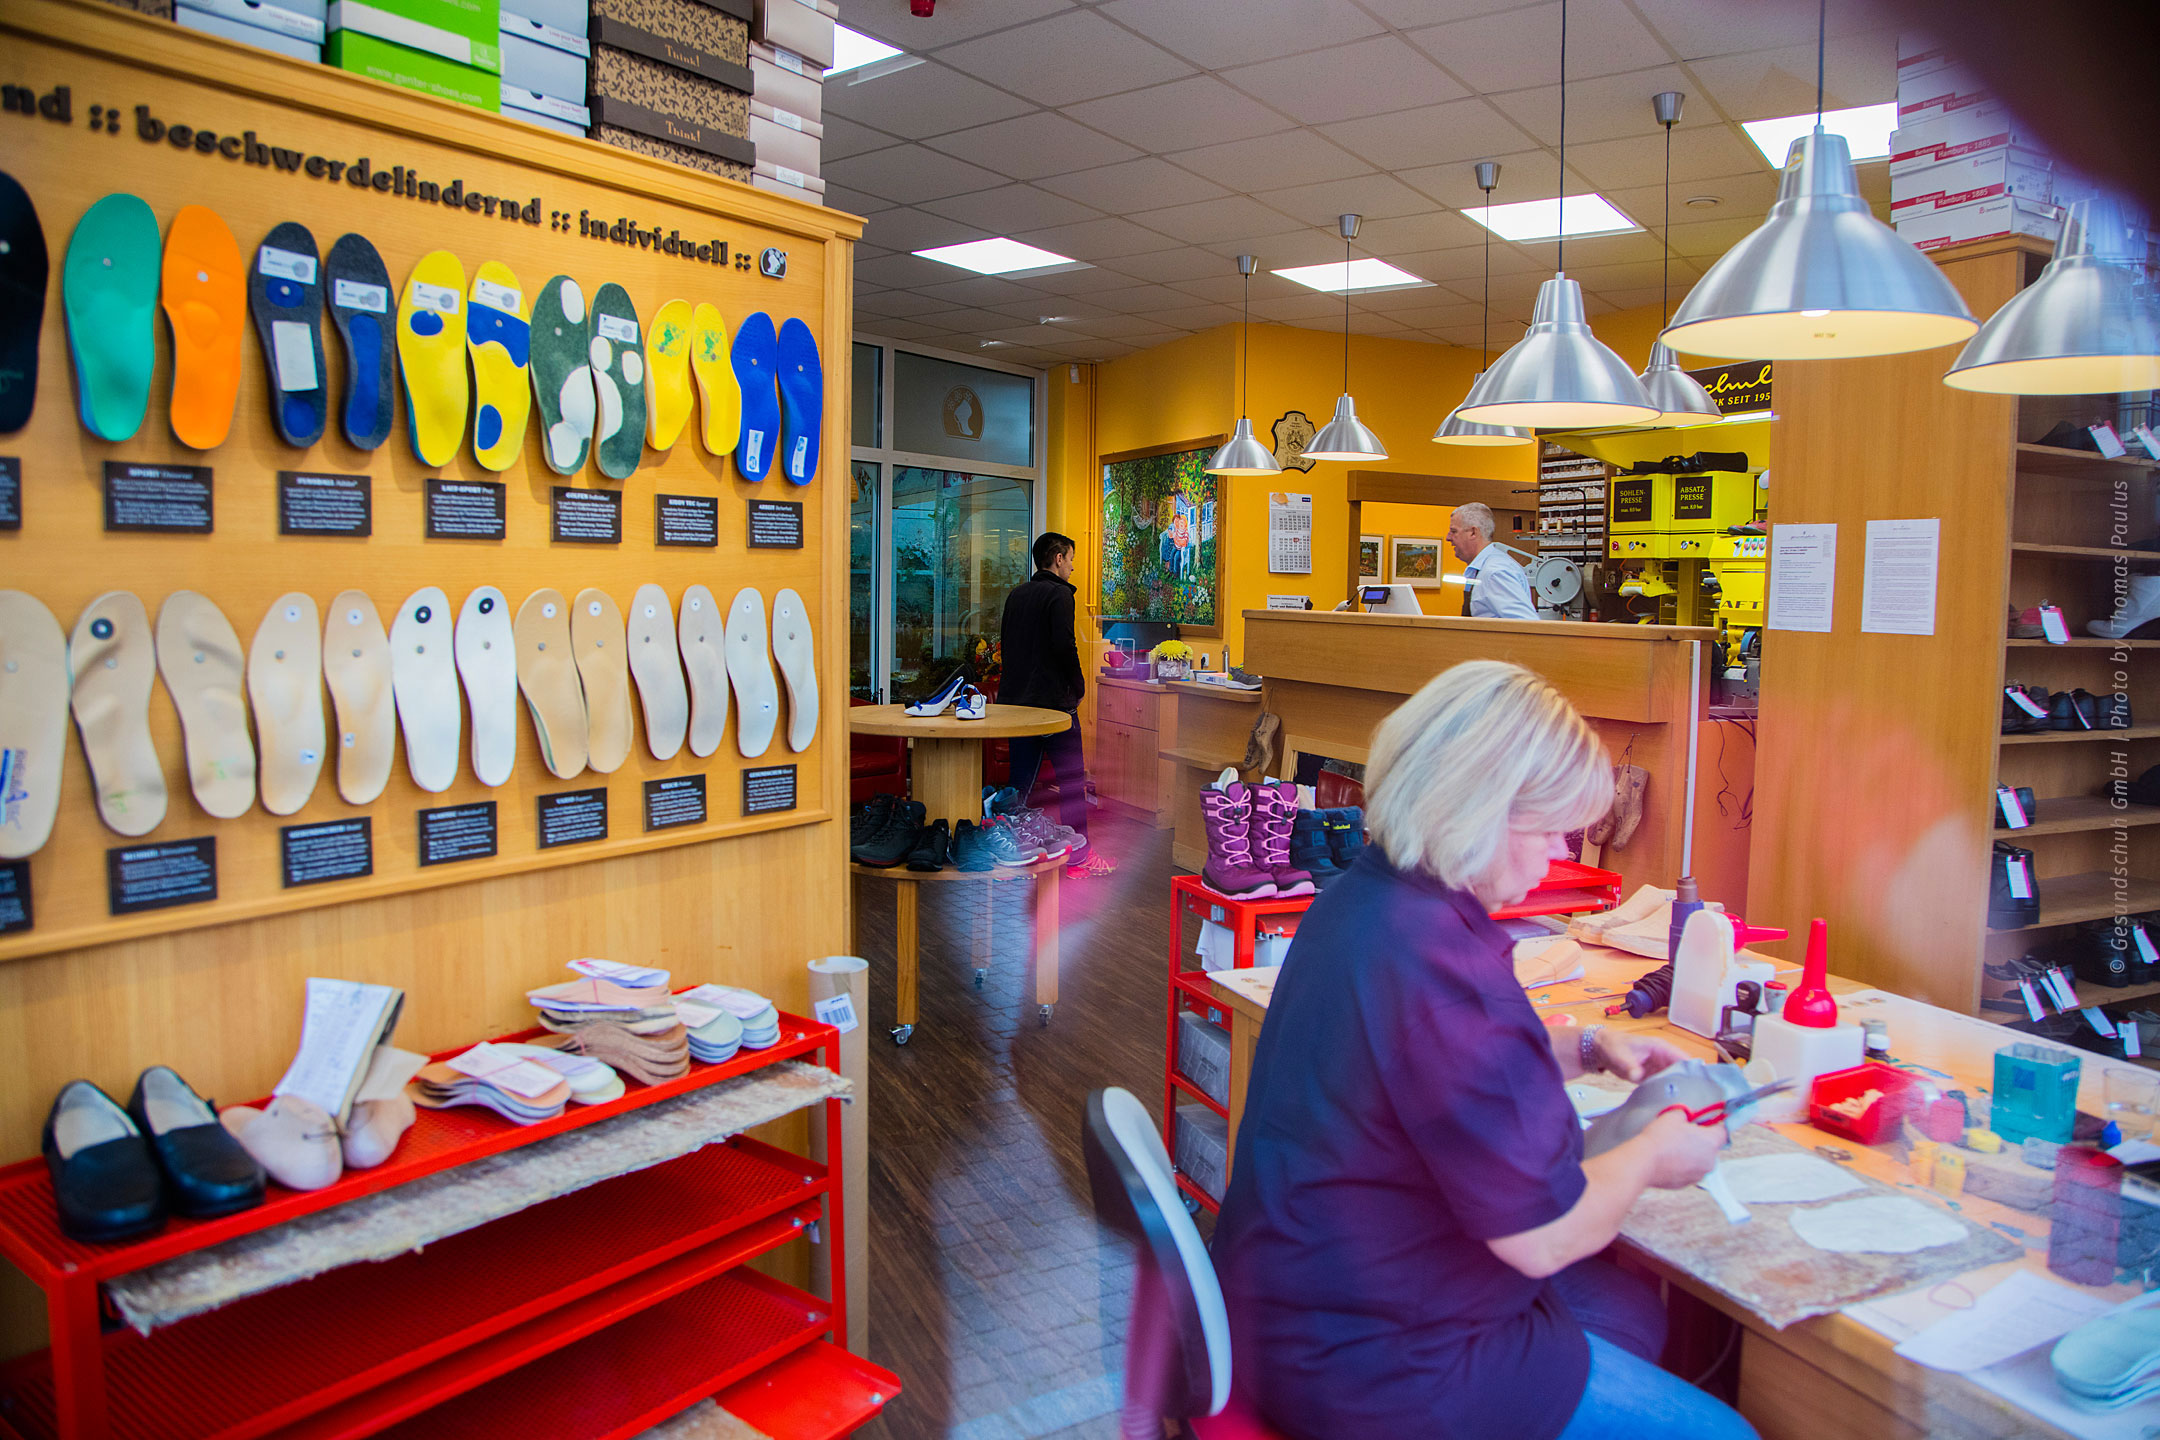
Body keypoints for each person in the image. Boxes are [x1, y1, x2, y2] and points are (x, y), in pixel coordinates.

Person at [1212, 661, 1755, 1440]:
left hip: (1287, 1301)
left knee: (1629, 1307)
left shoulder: (1365, 901)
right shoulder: (1446, 972)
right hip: (1375, 1368)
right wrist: (1653, 1154)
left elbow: (1426, 1065)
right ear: (1482, 813)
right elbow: (1543, 1238)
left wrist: (1589, 1044)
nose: (1557, 855)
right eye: (1551, 832)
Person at [998, 532, 1114, 878]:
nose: (1073, 567)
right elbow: (1065, 646)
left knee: (1019, 784)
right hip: (1052, 706)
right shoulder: (1060, 594)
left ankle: (1008, 852)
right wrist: (1078, 685)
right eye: (1071, 558)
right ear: (1058, 558)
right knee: (1072, 781)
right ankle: (1080, 856)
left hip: (1017, 705)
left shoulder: (1017, 594)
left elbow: (1008, 645)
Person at [1448, 502, 1541, 621]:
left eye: (1454, 531)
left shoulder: (1495, 573)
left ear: (1473, 532)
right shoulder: (1481, 569)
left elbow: (1526, 624)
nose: (1448, 537)